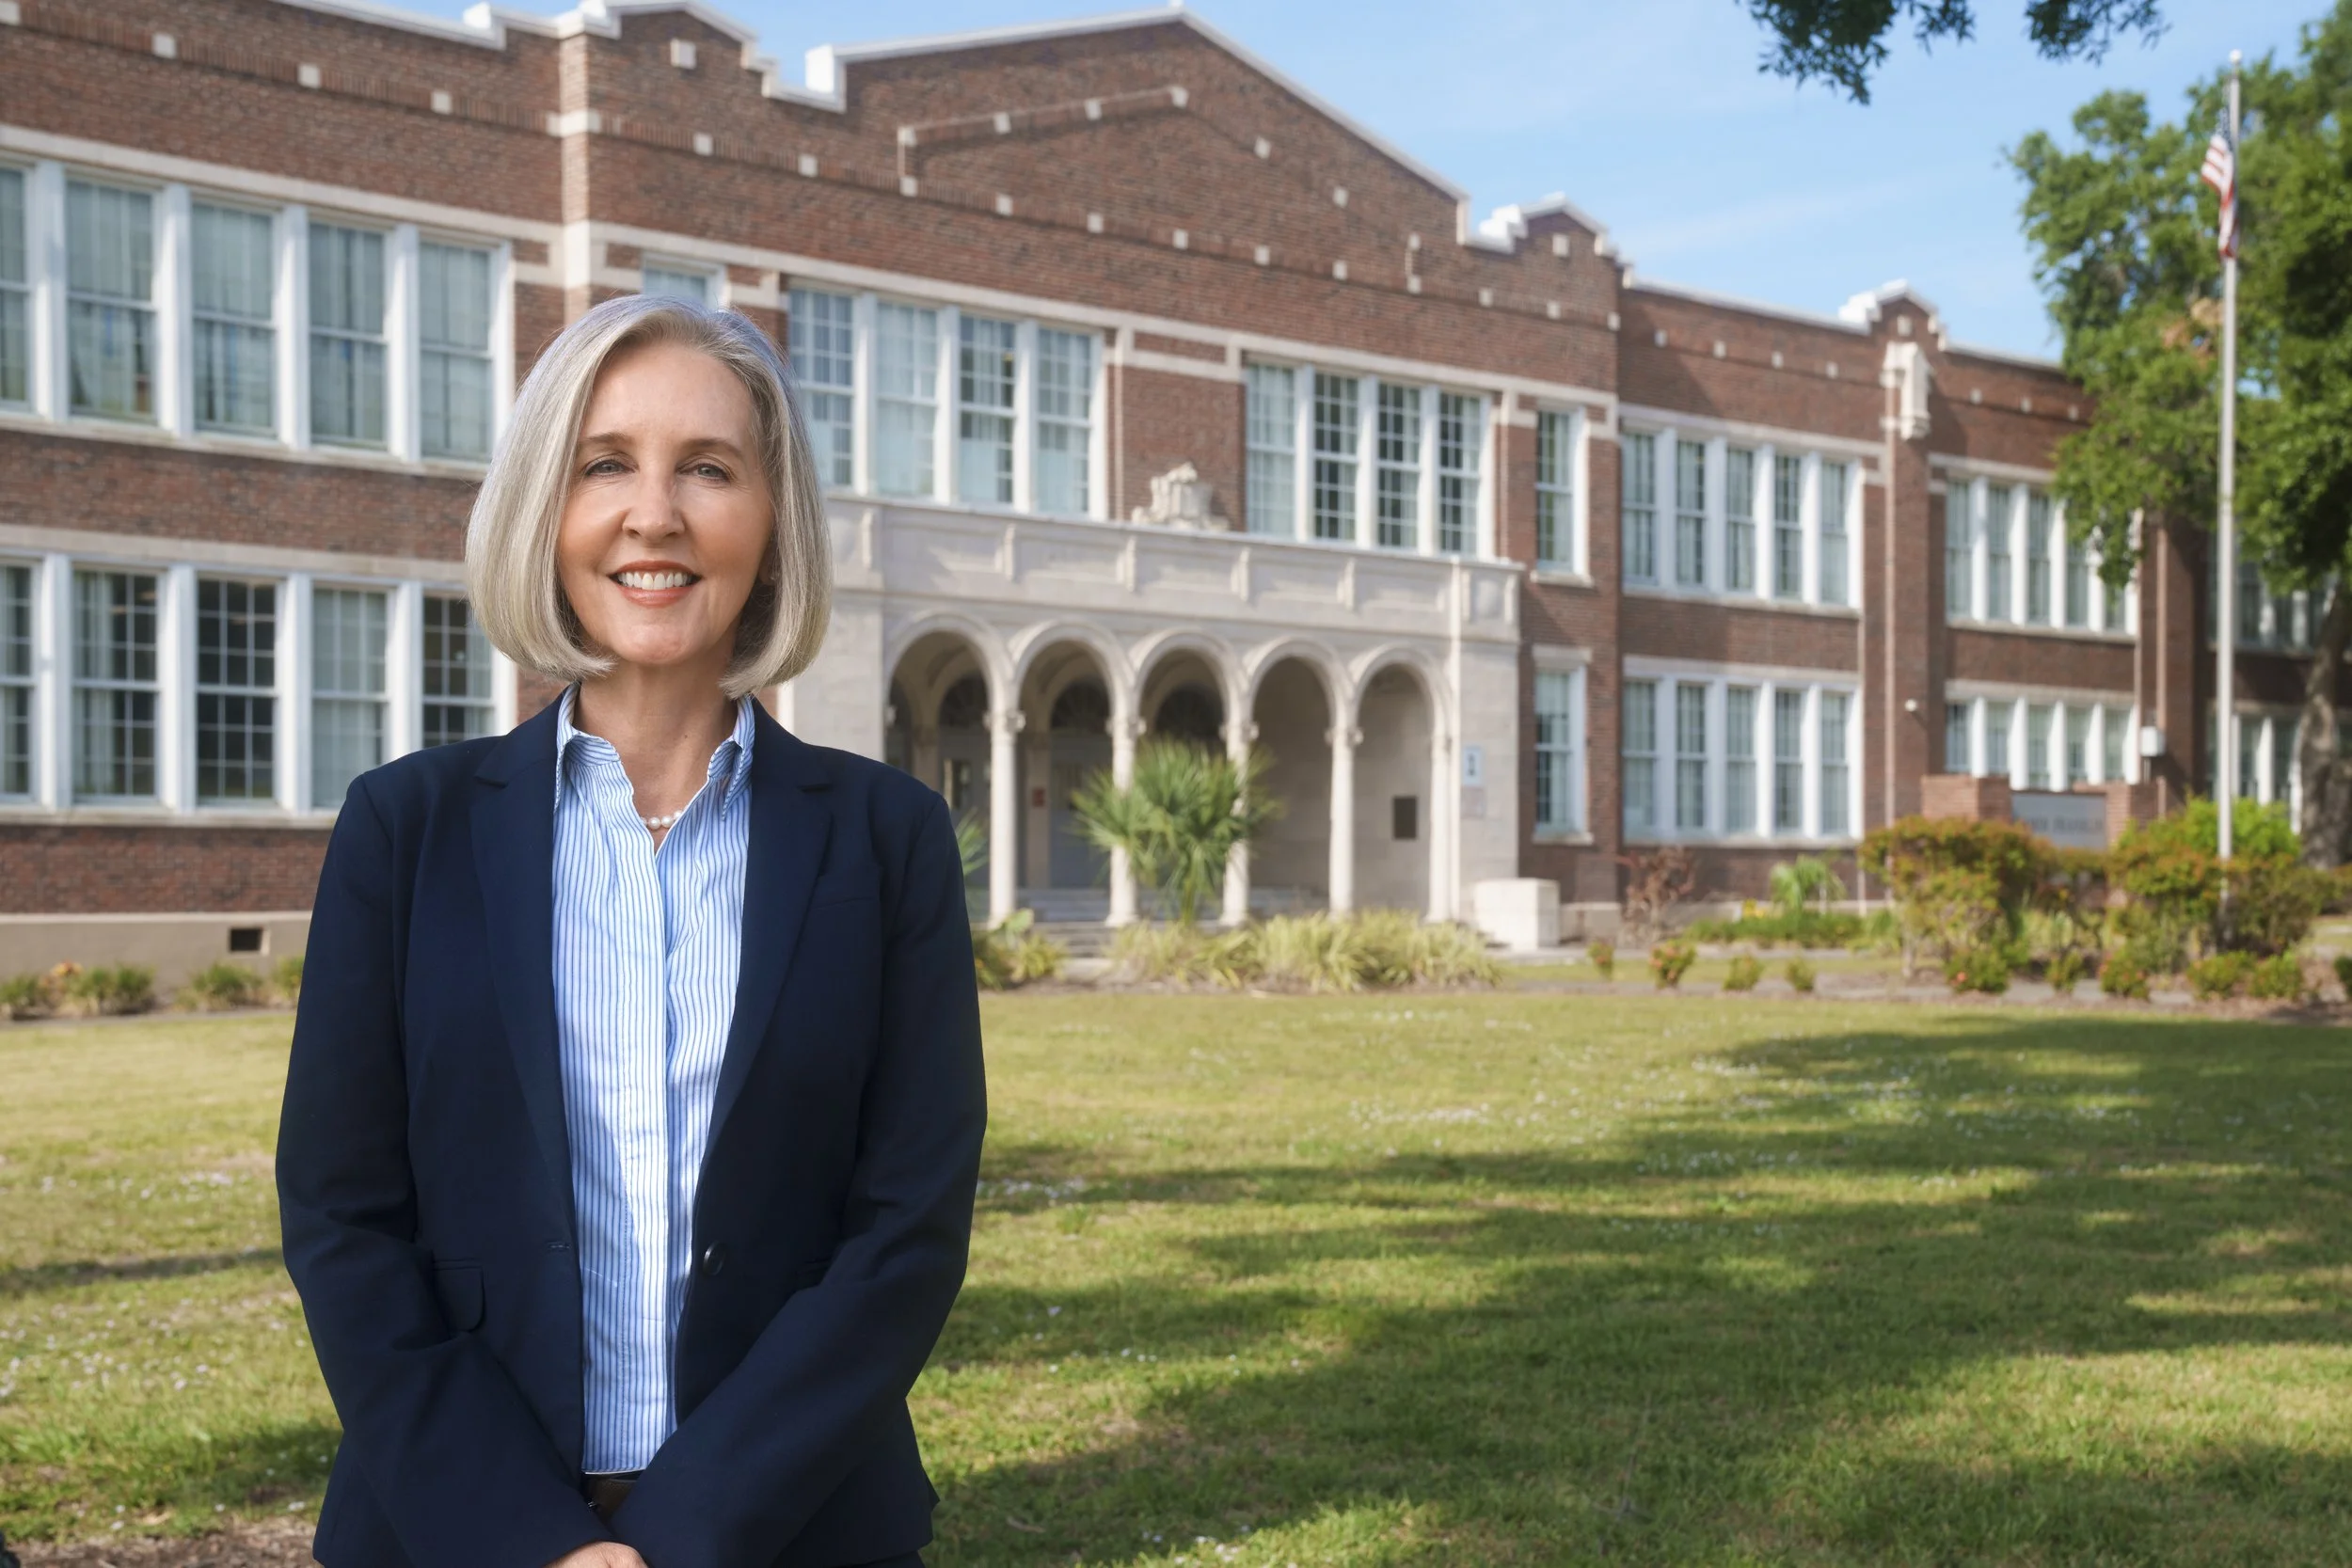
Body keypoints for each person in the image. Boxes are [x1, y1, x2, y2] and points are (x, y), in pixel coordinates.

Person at [277, 293, 985, 1568]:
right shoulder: (404, 831)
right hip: (452, 1531)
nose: (654, 513)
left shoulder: (888, 843)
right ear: (549, 511)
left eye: (708, 468)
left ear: (771, 528)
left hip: (797, 1529)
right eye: (606, 463)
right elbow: (344, 1219)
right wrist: (535, 1540)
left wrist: (682, 1535)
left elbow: (906, 1233)